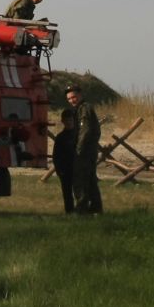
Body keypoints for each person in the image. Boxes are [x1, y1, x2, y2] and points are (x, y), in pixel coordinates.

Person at [65, 83, 103, 215]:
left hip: (85, 151)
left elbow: (85, 130)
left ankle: (81, 209)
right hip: (88, 150)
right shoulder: (80, 109)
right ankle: (96, 208)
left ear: (80, 95)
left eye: (74, 97)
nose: (71, 100)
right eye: (69, 99)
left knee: (80, 180)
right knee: (90, 179)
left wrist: (78, 150)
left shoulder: (84, 108)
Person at [52, 102, 79, 213]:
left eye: (71, 120)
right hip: (65, 170)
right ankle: (69, 212)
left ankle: (82, 212)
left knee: (80, 192)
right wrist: (59, 170)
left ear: (74, 121)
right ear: (63, 121)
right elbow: (56, 155)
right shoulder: (60, 137)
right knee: (67, 194)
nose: (69, 122)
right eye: (66, 120)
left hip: (78, 168)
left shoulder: (80, 135)